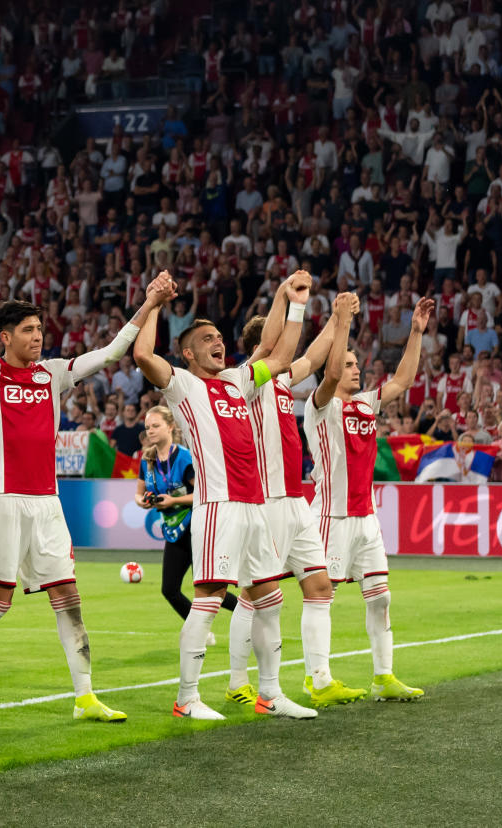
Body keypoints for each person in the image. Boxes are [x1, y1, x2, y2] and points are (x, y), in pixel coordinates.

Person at [0, 285, 167, 724]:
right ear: (5, 336)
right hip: (4, 501)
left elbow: (114, 350)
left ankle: (85, 698)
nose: (37, 336)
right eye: (27, 330)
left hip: (48, 504)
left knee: (68, 596)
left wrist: (150, 303)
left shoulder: (54, 373)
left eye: (39, 328)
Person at [134, 270, 317, 721]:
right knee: (209, 598)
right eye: (208, 338)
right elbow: (141, 353)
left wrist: (291, 301)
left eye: (220, 336)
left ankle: (270, 693)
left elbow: (281, 352)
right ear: (188, 352)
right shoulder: (182, 385)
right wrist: (155, 303)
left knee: (269, 598)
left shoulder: (238, 379)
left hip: (255, 508)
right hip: (219, 508)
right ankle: (186, 697)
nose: (218, 342)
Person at [240, 290, 371, 708]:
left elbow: (315, 358)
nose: (290, 346)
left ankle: (320, 679)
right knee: (253, 594)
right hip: (269, 499)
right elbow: (305, 356)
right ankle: (240, 680)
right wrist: (295, 304)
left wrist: (338, 317)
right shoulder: (247, 377)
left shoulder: (282, 381)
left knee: (319, 587)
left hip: (296, 499)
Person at [304, 296, 435, 702]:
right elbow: (327, 374)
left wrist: (415, 332)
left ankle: (383, 677)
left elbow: (403, 381)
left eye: (357, 364)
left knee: (381, 598)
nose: (357, 369)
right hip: (331, 517)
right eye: (349, 364)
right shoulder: (320, 406)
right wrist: (341, 321)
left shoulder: (366, 404)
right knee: (322, 596)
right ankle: (318, 680)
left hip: (366, 518)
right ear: (332, 371)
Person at [135, 406, 239, 636]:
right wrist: (142, 501)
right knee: (169, 589)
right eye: (147, 428)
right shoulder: (147, 459)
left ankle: (248, 613)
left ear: (170, 427)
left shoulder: (184, 457)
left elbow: (203, 493)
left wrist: (174, 501)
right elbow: (138, 492)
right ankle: (202, 631)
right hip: (173, 530)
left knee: (210, 590)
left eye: (155, 426)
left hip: (197, 527)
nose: (150, 431)